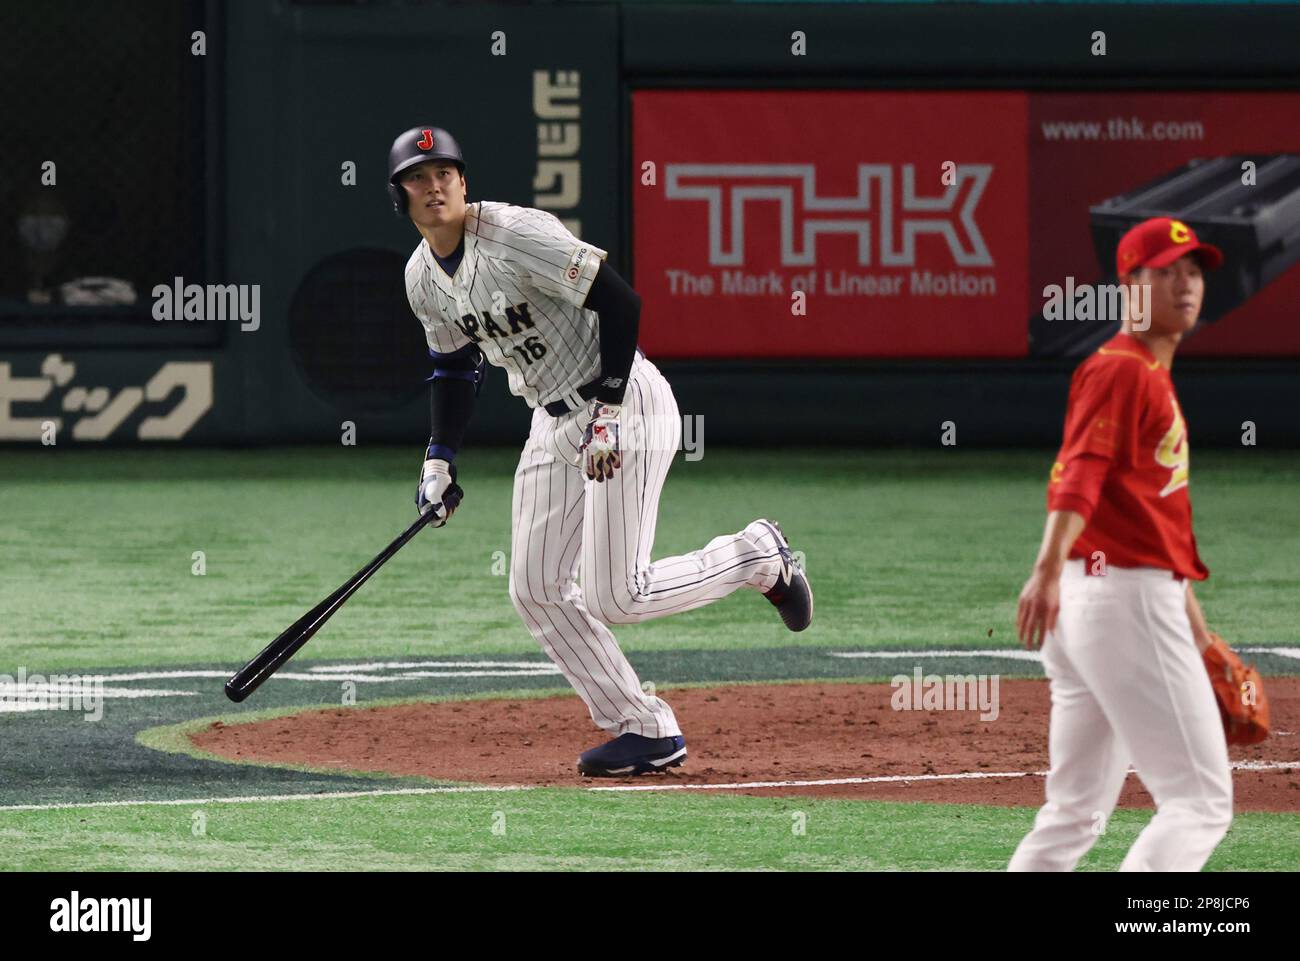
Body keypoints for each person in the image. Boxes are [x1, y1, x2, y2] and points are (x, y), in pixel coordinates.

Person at [388, 125, 813, 777]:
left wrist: (610, 413)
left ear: (463, 181)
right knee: (535, 586)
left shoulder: (515, 234)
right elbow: (452, 368)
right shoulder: (422, 278)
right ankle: (642, 728)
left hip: (624, 402)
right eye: (418, 177)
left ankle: (755, 554)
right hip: (550, 419)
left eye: (444, 171)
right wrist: (439, 460)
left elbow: (619, 299)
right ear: (401, 197)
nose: (433, 185)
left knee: (619, 594)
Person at [1010, 216, 1234, 871]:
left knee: (1073, 813)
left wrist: (1199, 633)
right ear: (1129, 286)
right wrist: (1046, 568)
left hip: (1098, 603)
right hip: (1120, 600)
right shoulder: (1123, 370)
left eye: (1193, 271)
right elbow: (1079, 472)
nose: (1185, 284)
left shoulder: (1143, 372)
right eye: (1164, 272)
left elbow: (1151, 521)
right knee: (1199, 802)